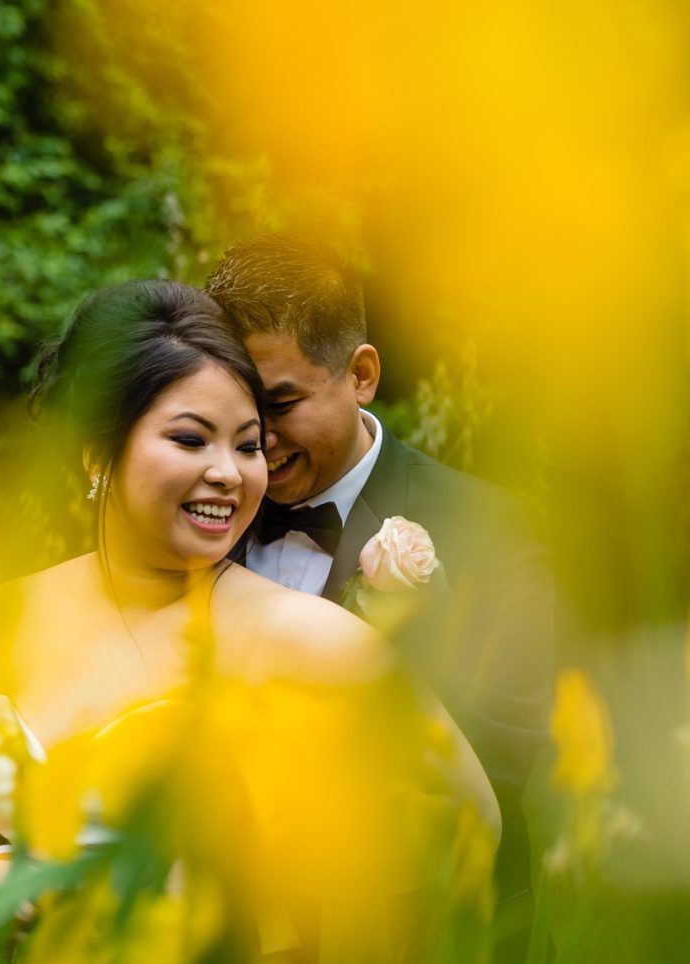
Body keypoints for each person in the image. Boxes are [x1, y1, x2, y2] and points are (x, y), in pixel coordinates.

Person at [0, 279, 499, 964]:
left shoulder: (311, 639)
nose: (230, 472)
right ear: (95, 452)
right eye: (190, 439)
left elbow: (472, 821)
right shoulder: (4, 616)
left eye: (248, 445)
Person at [205, 235, 555, 904]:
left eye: (279, 406)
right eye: (238, 410)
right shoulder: (198, 518)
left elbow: (507, 762)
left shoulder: (490, 533)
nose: (256, 440)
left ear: (361, 374)